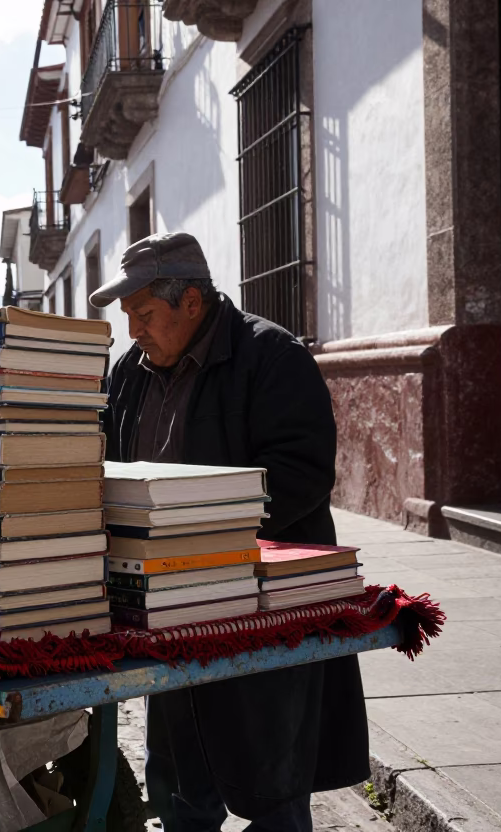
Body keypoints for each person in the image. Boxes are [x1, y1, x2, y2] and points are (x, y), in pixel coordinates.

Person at [92, 232, 368, 832]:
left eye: (144, 314)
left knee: (270, 781)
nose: (134, 331)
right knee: (177, 775)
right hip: (164, 603)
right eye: (128, 318)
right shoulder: (130, 373)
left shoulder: (272, 356)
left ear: (191, 302)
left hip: (253, 602)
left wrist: (198, 529)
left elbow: (302, 472)